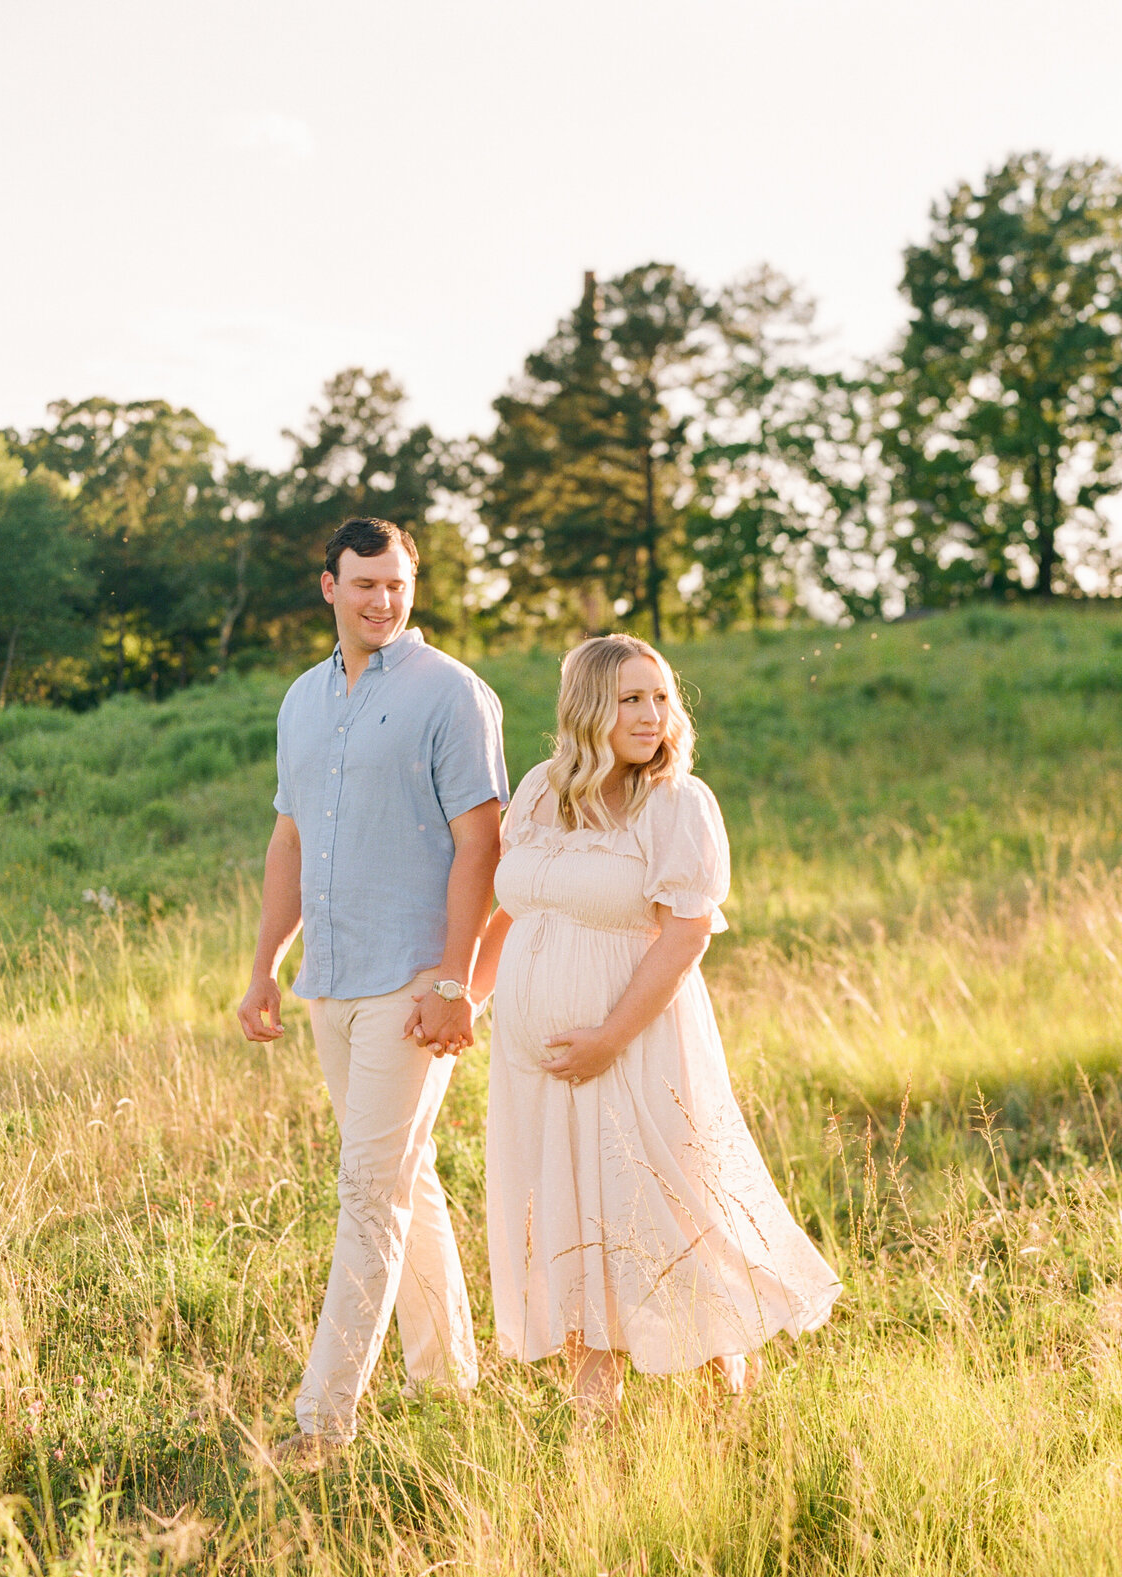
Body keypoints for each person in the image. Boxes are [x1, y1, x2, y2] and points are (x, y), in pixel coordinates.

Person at [472, 634, 840, 1422]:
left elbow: (686, 933)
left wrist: (607, 1037)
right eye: (631, 699)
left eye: (662, 697)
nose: (651, 715)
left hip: (636, 1044)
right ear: (587, 708)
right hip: (534, 1060)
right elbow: (516, 906)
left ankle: (726, 1412)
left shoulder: (677, 802)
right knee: (566, 1213)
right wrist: (465, 994)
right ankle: (591, 1417)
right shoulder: (541, 791)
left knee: (665, 1211)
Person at [237, 516, 508, 1461]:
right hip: (332, 982)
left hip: (411, 981)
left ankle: (323, 1421)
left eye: (397, 584)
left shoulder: (454, 695)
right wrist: (266, 965)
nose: (384, 601)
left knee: (365, 1190)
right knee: (403, 1179)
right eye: (365, 585)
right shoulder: (300, 702)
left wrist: (455, 982)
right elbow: (290, 841)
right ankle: (451, 1380)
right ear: (329, 588)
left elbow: (484, 845)